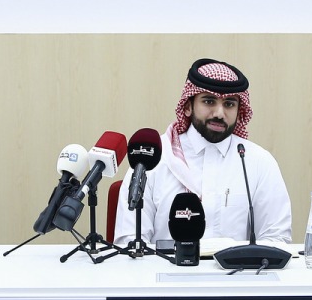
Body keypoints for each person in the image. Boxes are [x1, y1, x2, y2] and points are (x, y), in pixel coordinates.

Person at [113, 58, 292, 246]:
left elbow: (276, 238)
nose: (219, 113)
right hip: (164, 271)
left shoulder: (258, 162)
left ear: (239, 111)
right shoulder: (153, 156)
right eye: (209, 101)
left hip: (235, 274)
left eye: (229, 104)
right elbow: (130, 240)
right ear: (188, 106)